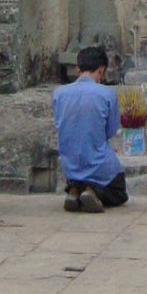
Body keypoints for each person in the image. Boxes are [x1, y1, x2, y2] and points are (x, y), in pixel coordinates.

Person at [52, 45, 128, 213]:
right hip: (98, 163)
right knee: (119, 191)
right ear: (101, 70)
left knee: (79, 173)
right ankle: (92, 191)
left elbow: (60, 124)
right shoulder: (107, 94)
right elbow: (111, 131)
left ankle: (74, 190)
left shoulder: (58, 94)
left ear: (77, 68)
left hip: (70, 166)